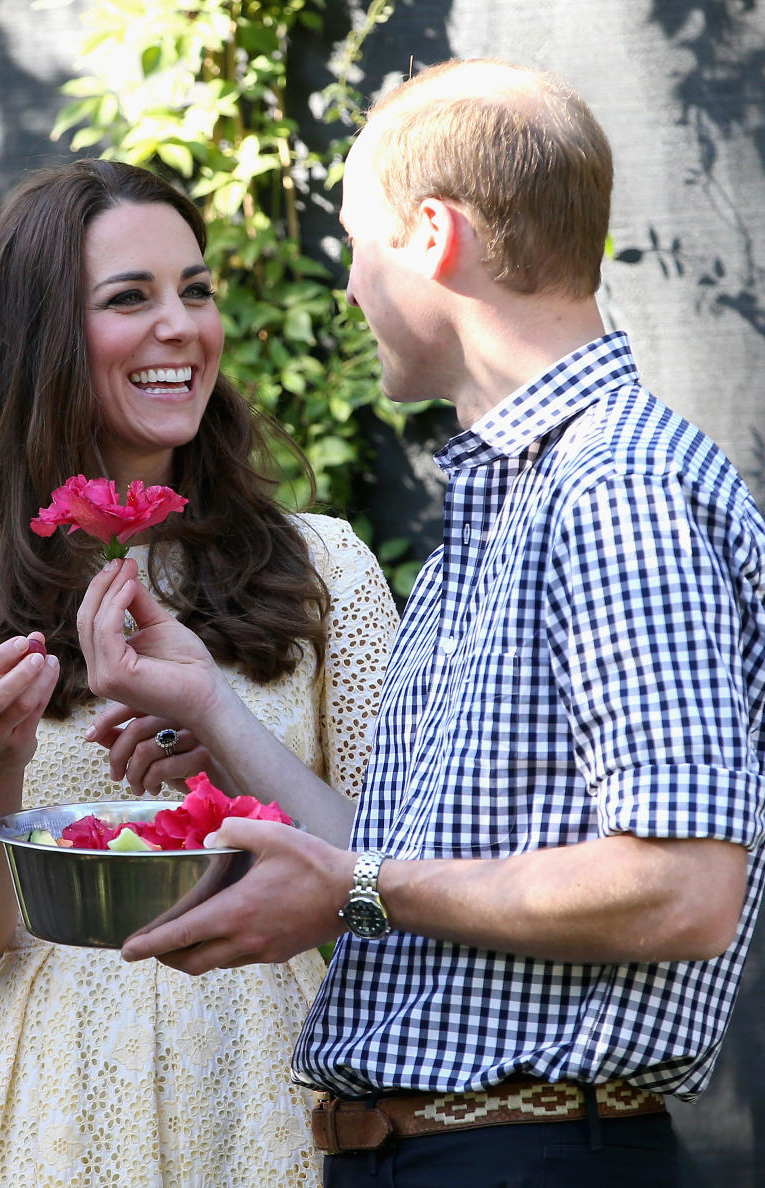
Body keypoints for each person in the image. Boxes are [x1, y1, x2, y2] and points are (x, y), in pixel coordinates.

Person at [75, 59, 765, 1187]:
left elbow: (683, 886)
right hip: (445, 1156)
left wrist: (351, 892)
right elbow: (409, 864)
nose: (346, 288)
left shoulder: (619, 493)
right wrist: (210, 704)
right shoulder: (510, 507)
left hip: (536, 1159)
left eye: (358, 243)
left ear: (435, 236)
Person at [0, 158, 399, 1187]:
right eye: (131, 299)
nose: (182, 327)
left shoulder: (323, 568)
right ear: (41, 339)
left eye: (197, 290)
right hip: (53, 1107)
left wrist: (224, 737)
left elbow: (396, 878)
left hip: (280, 1082)